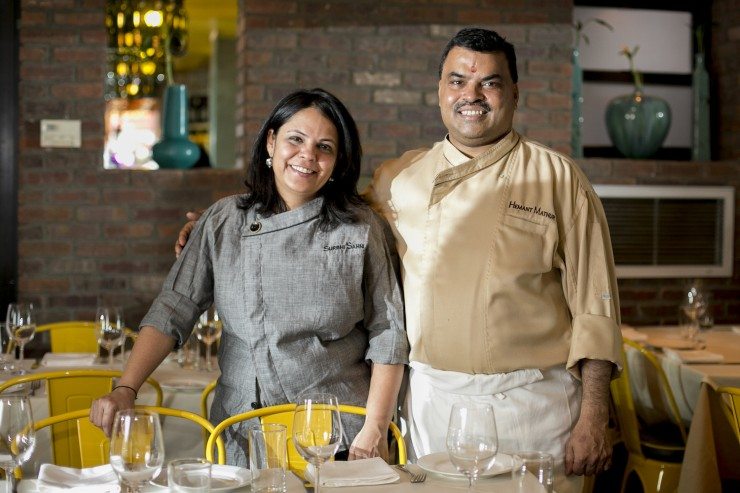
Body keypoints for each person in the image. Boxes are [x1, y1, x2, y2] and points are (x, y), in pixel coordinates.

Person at [176, 29, 622, 493]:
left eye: (490, 83)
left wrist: (592, 416)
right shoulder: (399, 177)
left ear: (514, 92)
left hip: (533, 408)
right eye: (457, 80)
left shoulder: (559, 178)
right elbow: (313, 220)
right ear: (440, 91)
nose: (472, 95)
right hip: (431, 404)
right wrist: (214, 226)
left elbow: (597, 308)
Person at [91, 88, 409, 466]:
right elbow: (174, 308)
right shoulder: (223, 220)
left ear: (338, 162)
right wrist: (127, 387)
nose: (308, 155)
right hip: (244, 423)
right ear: (271, 142)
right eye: (296, 139)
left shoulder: (360, 228)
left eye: (325, 147)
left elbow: (388, 332)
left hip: (337, 429)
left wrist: (375, 426)